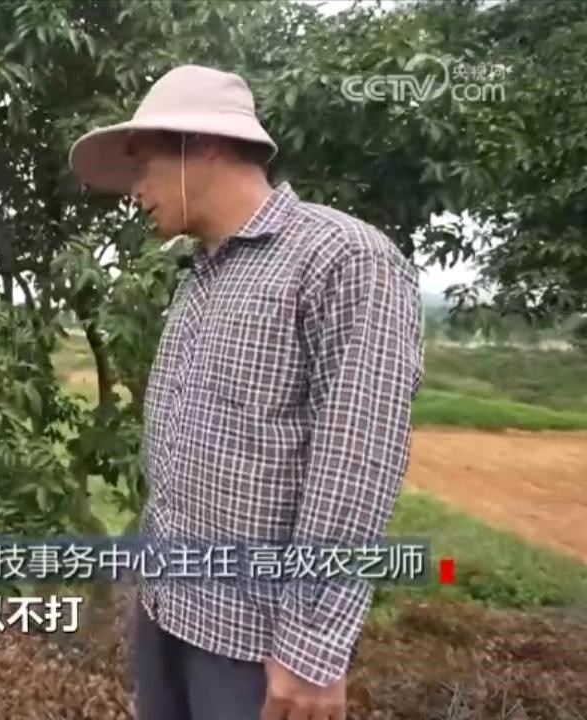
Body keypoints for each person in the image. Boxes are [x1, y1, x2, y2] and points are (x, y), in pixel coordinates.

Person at [69, 65, 423, 720]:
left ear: (201, 143)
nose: (135, 191)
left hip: (253, 648)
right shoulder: (200, 275)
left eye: (143, 166)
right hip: (168, 609)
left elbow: (355, 466)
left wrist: (313, 647)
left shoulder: (342, 259)